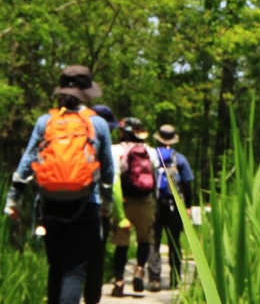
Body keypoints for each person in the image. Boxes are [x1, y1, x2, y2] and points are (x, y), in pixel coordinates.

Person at [3, 65, 114, 304]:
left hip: (49, 204)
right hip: (86, 204)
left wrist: (13, 199)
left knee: (56, 267)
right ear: (88, 92)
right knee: (74, 271)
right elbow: (108, 171)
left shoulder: (46, 121)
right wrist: (107, 203)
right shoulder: (98, 124)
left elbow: (26, 164)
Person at [109, 117, 159, 297]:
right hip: (145, 202)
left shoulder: (115, 150)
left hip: (124, 201)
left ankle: (119, 280)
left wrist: (119, 213)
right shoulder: (151, 152)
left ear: (123, 132)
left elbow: (114, 181)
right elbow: (154, 179)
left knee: (121, 244)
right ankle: (139, 269)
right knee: (145, 240)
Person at [147, 124, 194, 291]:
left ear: (158, 138)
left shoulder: (150, 156)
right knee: (174, 242)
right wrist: (188, 205)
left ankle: (154, 279)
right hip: (174, 207)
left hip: (153, 206)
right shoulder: (179, 159)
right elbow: (187, 183)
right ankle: (176, 279)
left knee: (154, 242)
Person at [83, 105, 120, 304]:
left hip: (58, 201)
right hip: (93, 204)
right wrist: (107, 206)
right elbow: (108, 177)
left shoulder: (65, 126)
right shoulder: (105, 137)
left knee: (66, 266)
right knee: (96, 260)